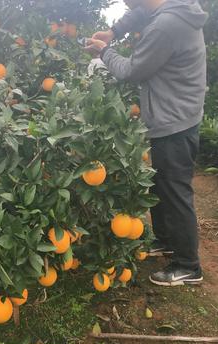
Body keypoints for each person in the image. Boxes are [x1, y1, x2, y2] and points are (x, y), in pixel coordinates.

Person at [86, 0, 208, 286]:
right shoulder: (168, 8)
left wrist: (104, 51)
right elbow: (141, 12)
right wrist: (113, 31)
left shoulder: (166, 26)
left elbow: (132, 71)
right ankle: (166, 241)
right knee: (161, 185)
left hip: (175, 121)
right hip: (175, 114)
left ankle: (188, 265)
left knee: (175, 191)